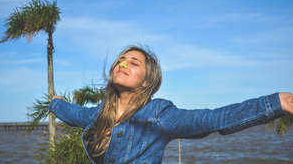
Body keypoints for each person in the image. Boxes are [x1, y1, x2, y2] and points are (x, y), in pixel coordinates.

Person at [49, 45, 293, 164]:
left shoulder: (159, 115)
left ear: (146, 81)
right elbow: (73, 112)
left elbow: (211, 118)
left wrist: (273, 103)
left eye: (134, 62)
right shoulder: (98, 115)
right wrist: (56, 104)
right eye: (120, 60)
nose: (122, 64)